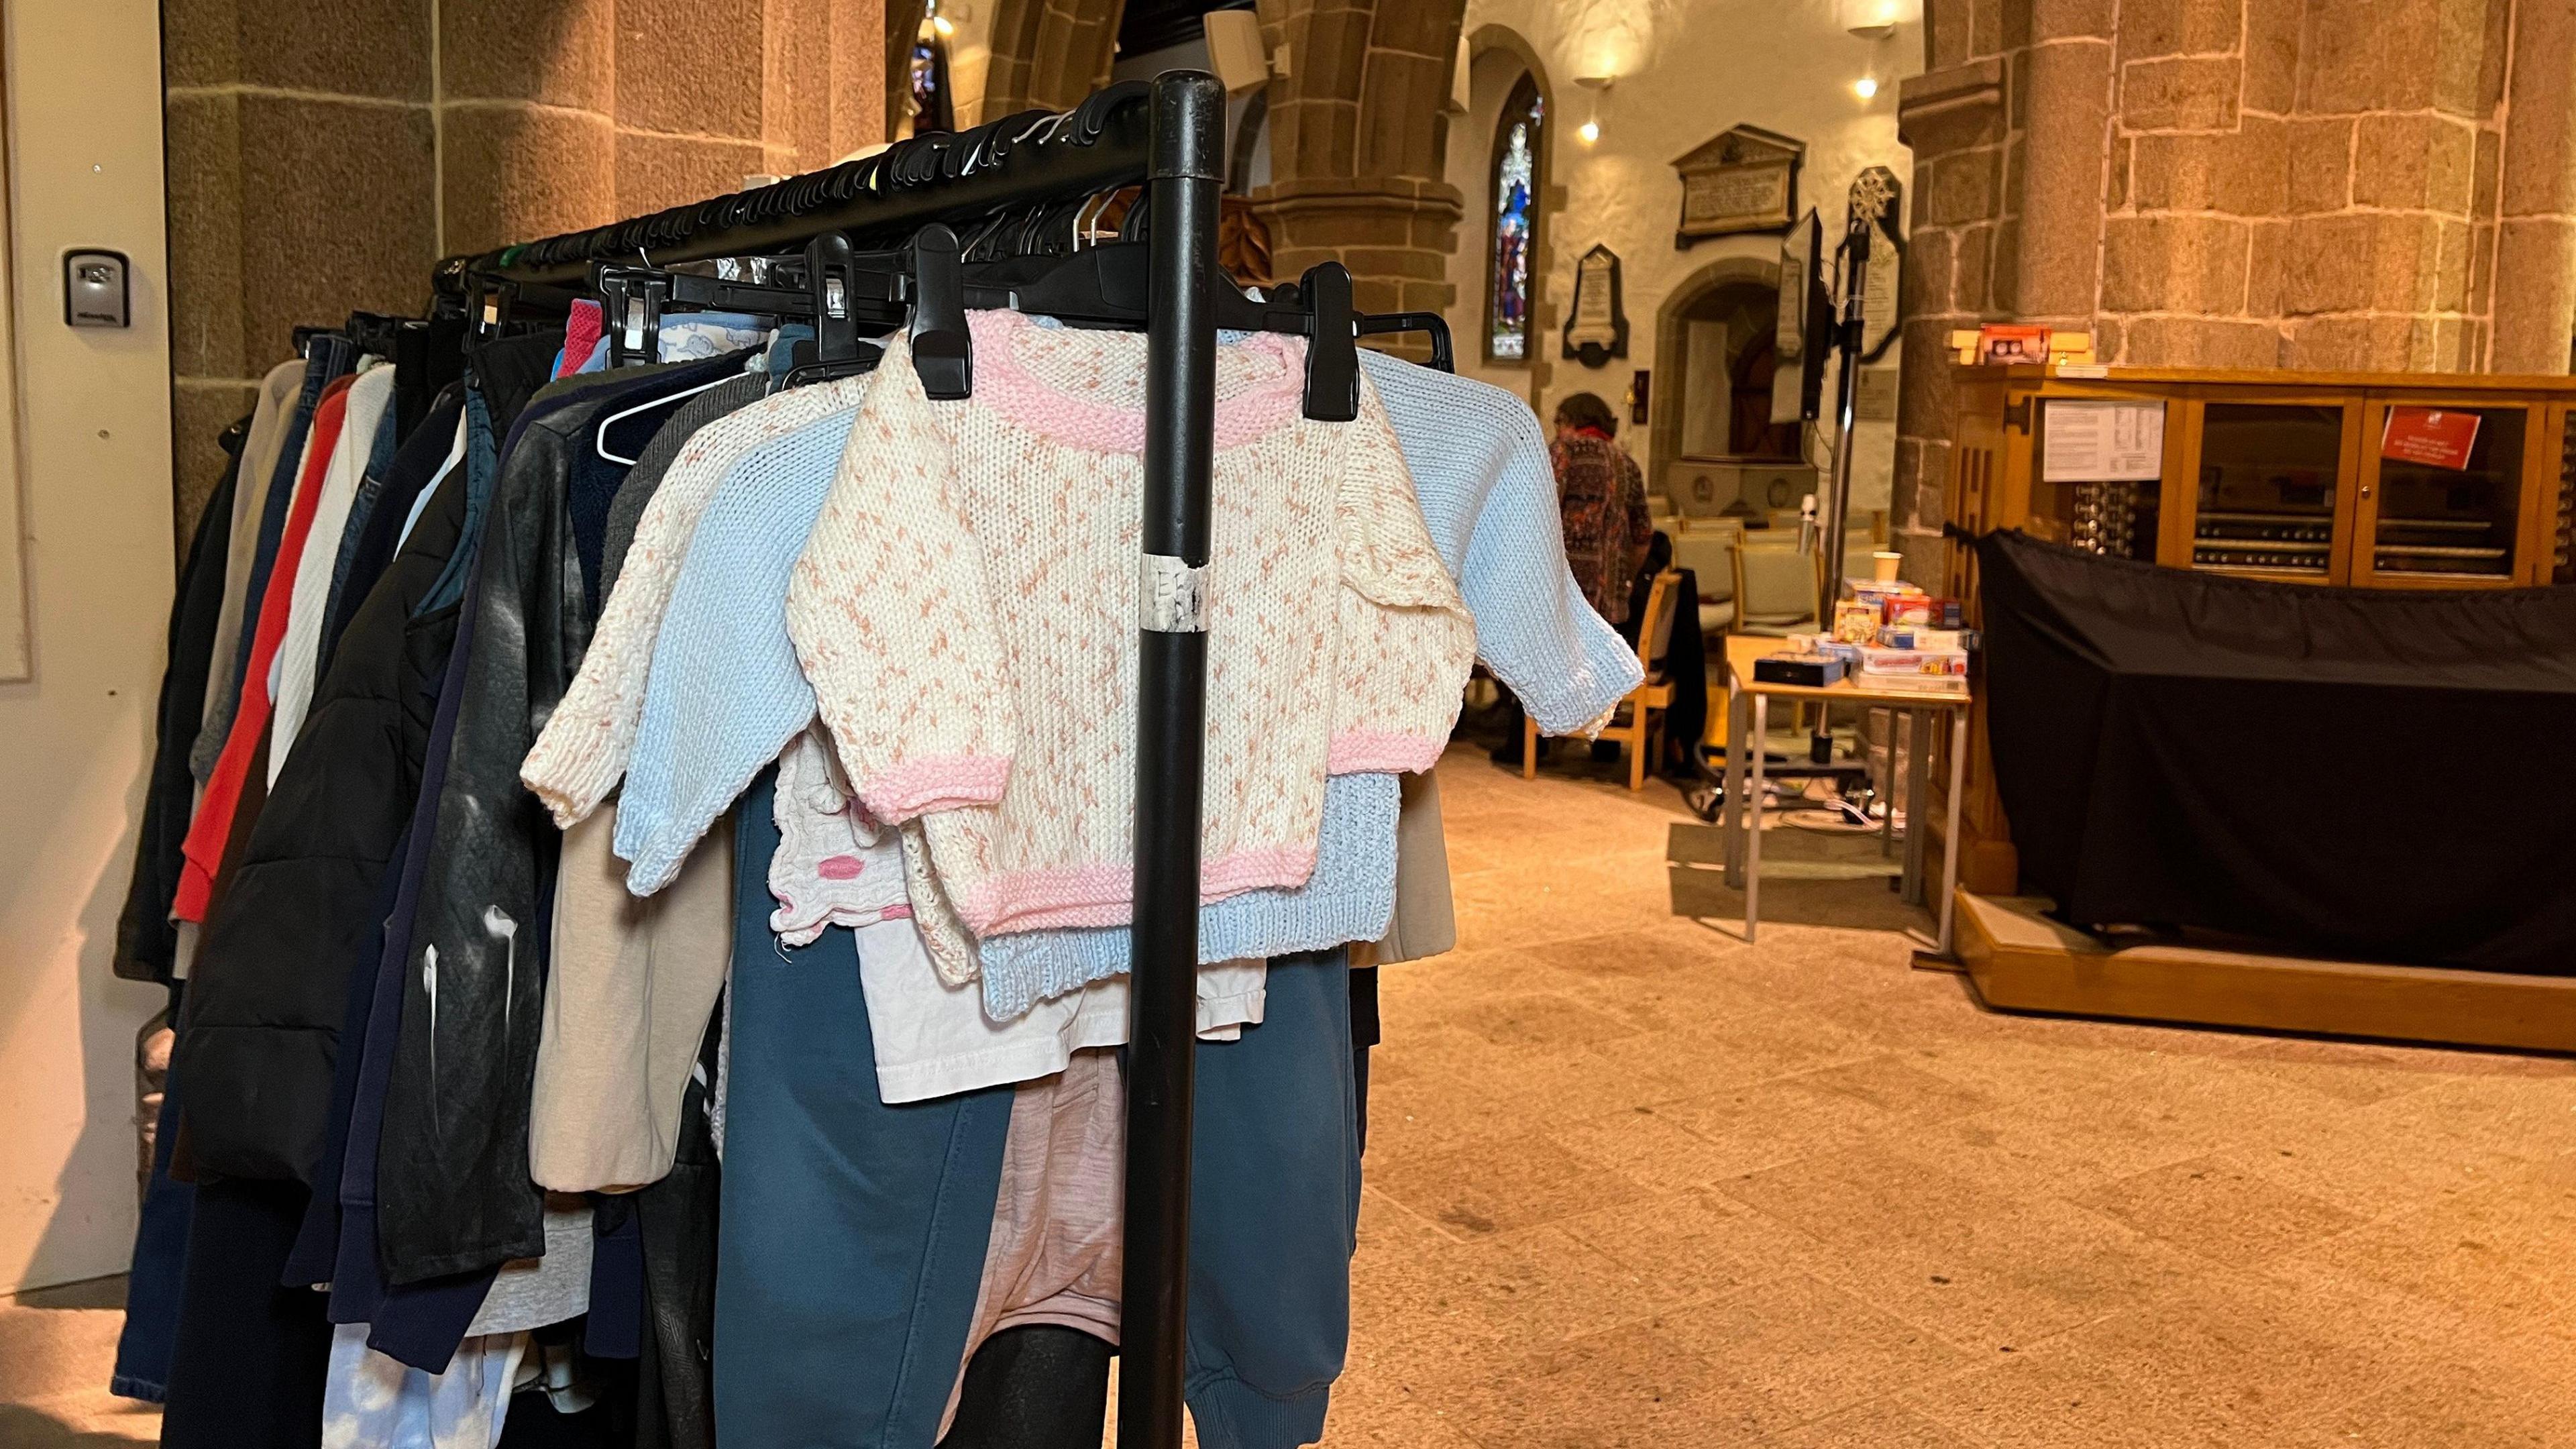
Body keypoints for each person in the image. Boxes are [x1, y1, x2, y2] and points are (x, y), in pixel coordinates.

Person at [1491, 392, 1656, 766]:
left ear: (1569, 421)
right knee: (1600, 654)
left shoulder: (1562, 455)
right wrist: (1621, 579)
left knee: (1526, 641)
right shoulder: (1627, 464)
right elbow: (1644, 535)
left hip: (1562, 593)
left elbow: (1533, 515)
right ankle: (1606, 745)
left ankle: (1529, 745)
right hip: (1609, 599)